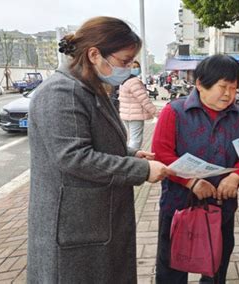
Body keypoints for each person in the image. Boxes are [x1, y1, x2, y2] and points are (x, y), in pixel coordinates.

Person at [27, 16, 174, 283]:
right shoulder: (61, 92)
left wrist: (130, 154)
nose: (129, 68)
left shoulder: (89, 88)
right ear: (94, 54)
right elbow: (74, 157)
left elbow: (95, 141)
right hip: (75, 227)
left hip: (94, 220)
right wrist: (140, 169)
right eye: (125, 61)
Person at [152, 54, 239, 284]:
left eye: (234, 88)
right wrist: (191, 182)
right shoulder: (175, 112)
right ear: (200, 84)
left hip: (221, 205)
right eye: (222, 87)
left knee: (216, 265)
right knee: (172, 266)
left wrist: (236, 176)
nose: (229, 94)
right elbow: (162, 153)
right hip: (179, 204)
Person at [119, 60, 158, 150]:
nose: (136, 69)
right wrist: (156, 113)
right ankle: (131, 158)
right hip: (135, 115)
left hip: (126, 114)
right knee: (135, 140)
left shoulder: (123, 81)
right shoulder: (134, 82)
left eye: (137, 67)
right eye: (133, 67)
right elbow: (144, 100)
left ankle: (129, 156)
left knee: (131, 138)